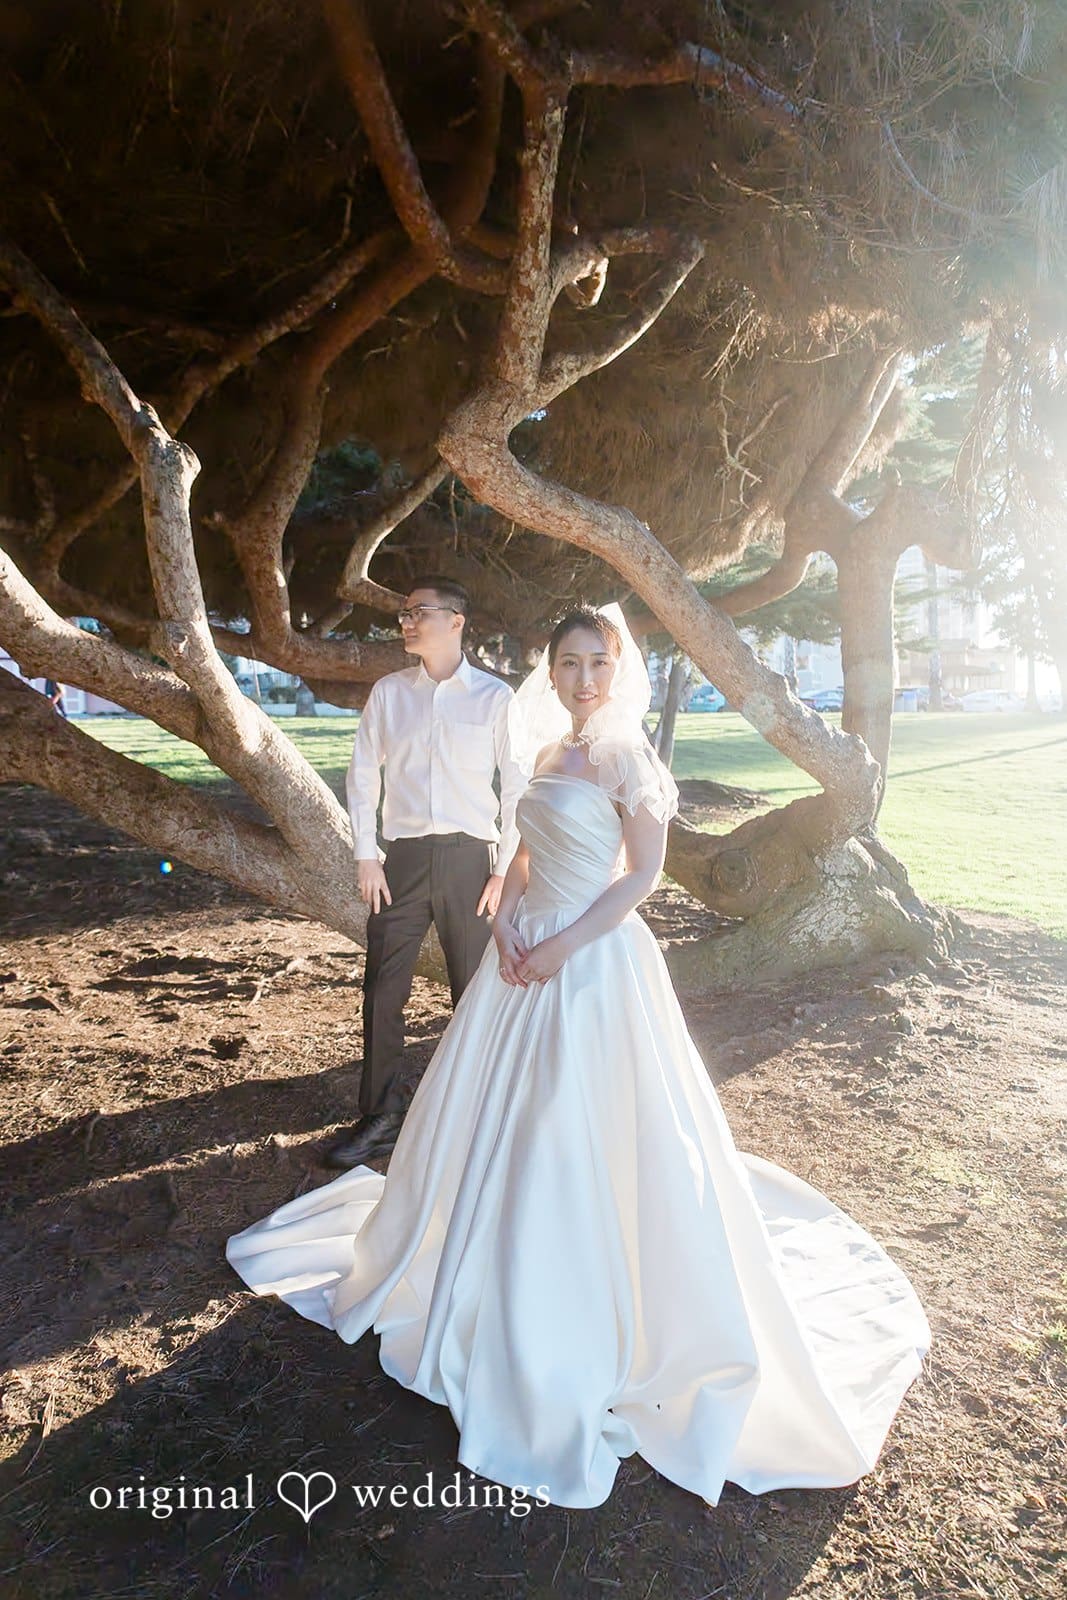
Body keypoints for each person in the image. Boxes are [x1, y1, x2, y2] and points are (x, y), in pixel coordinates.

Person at [227, 604, 930, 1510]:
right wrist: (513, 923)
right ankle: (476, 1262)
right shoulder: (550, 751)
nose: (585, 678)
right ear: (548, 671)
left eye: (599, 662)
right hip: (520, 953)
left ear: (618, 667)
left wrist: (560, 947)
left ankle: (569, 1295)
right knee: (494, 1118)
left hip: (595, 963)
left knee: (582, 1124)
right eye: (569, 663)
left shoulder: (629, 758)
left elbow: (636, 877)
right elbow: (522, 850)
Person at [327, 575, 524, 1170]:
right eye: (404, 614)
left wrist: (504, 868)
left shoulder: (495, 699)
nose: (407, 622)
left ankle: (476, 1110)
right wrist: (366, 851)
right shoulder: (390, 693)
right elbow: (363, 773)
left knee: (472, 991)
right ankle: (382, 1114)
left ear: (457, 620)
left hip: (472, 860)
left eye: (420, 612)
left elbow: (516, 788)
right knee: (384, 988)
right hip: (403, 860)